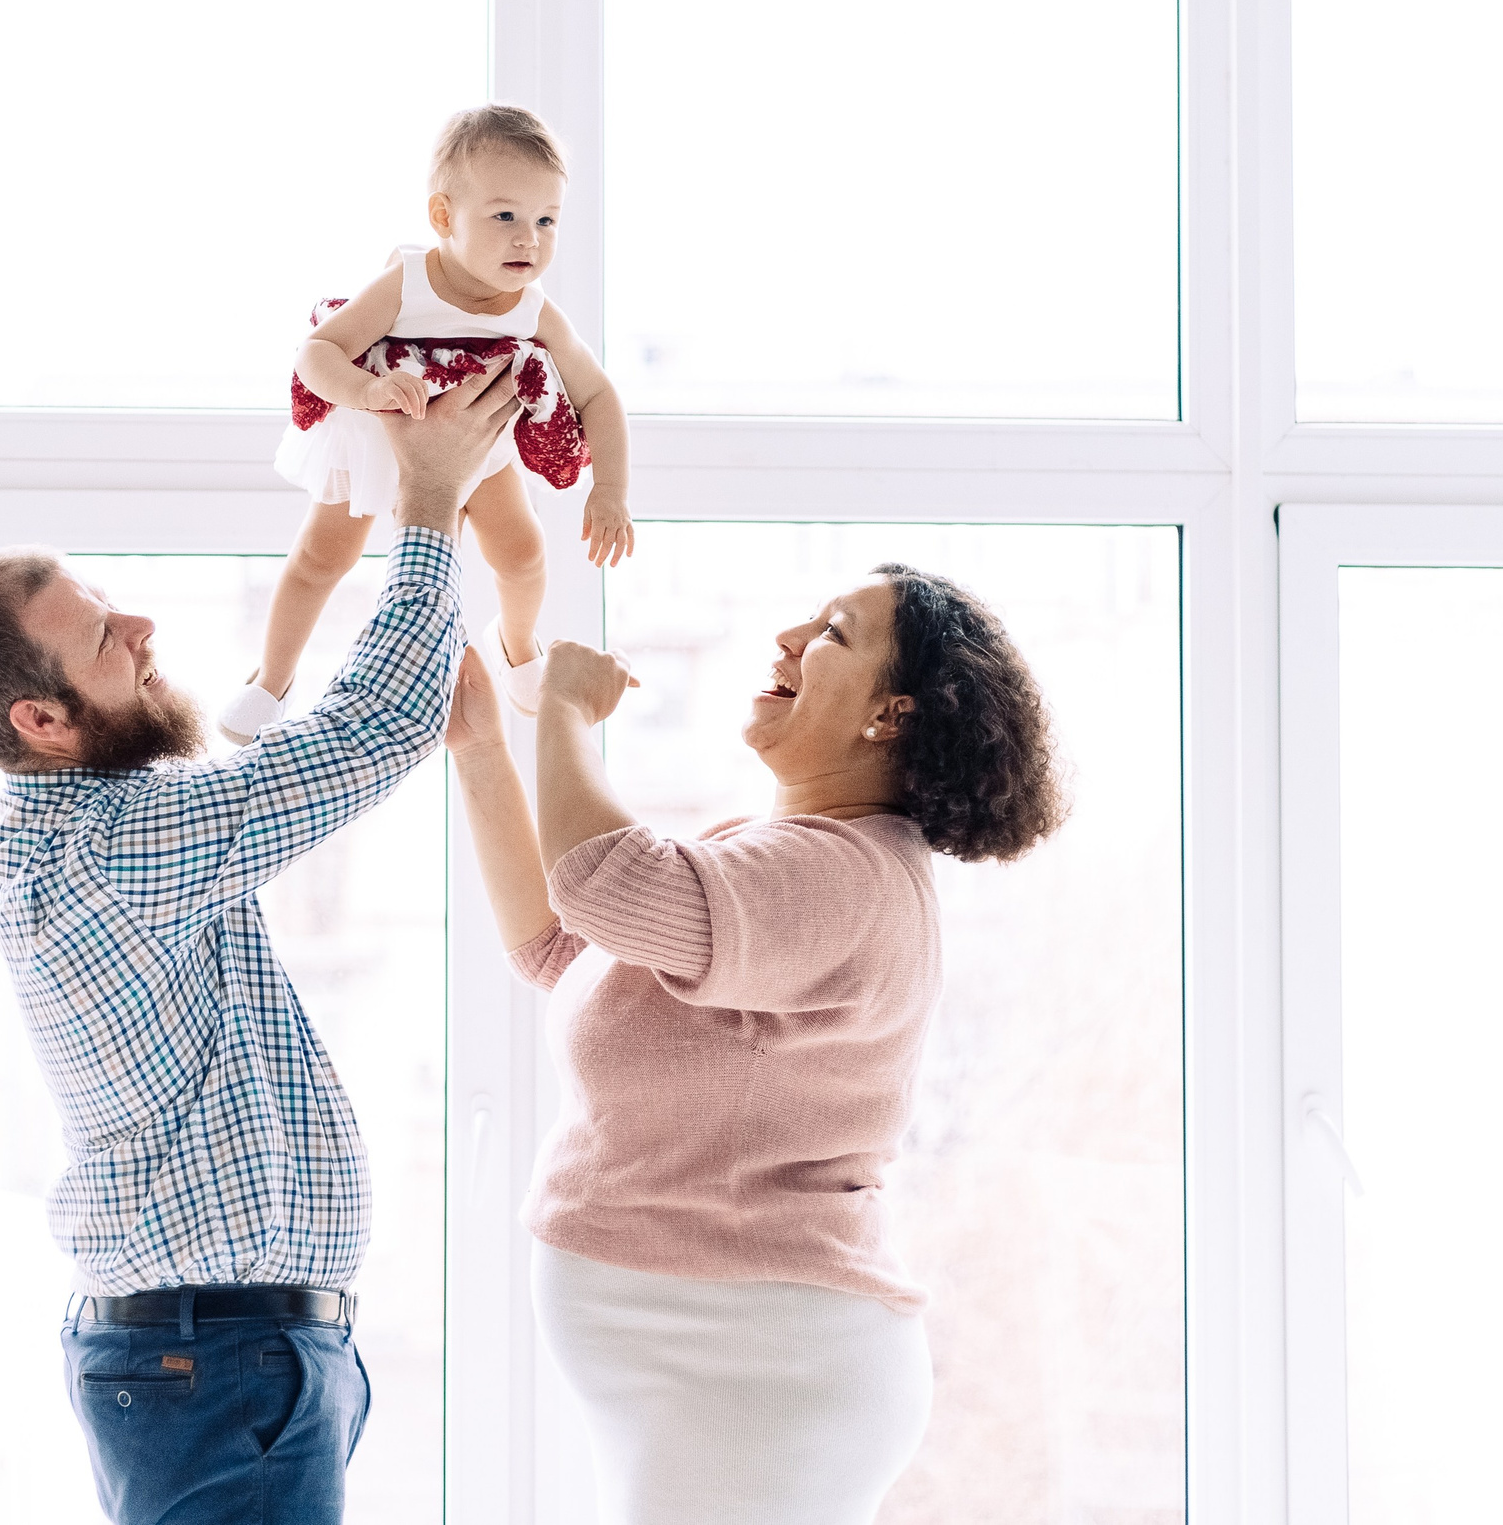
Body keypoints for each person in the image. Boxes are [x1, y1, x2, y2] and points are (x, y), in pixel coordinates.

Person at [0, 361, 522, 1525]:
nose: (138, 627)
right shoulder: (109, 846)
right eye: (98, 636)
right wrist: (429, 509)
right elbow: (375, 731)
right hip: (220, 1361)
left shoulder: (100, 831)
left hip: (234, 1356)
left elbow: (284, 767)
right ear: (39, 721)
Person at [444, 567, 1068, 1525]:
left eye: (832, 631)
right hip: (710, 1357)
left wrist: (565, 712)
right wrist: (486, 749)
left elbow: (602, 883)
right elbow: (562, 949)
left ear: (888, 715)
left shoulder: (843, 876)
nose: (785, 635)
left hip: (757, 1365)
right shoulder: (788, 852)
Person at [222, 103, 635, 743]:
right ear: (443, 218)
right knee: (320, 558)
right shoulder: (407, 282)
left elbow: (598, 395)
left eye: (546, 219)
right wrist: (370, 388)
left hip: (479, 447)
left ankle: (518, 643)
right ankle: (271, 678)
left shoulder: (532, 309)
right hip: (376, 434)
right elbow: (318, 353)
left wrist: (609, 489)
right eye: (505, 216)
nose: (529, 238)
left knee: (523, 556)